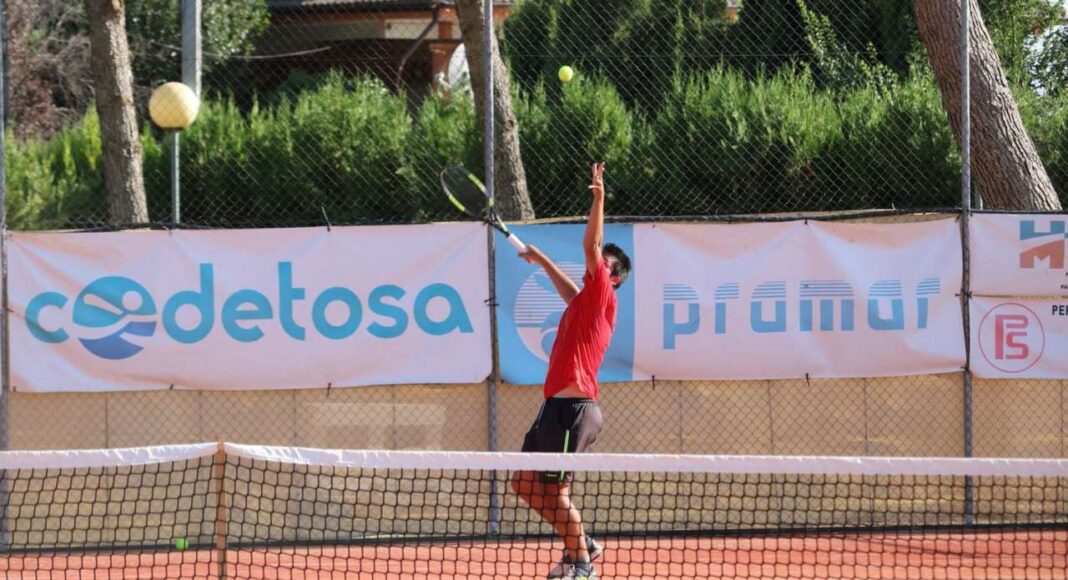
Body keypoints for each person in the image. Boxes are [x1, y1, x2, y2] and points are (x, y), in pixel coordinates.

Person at [510, 162, 632, 580]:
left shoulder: (603, 296)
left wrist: (599, 198)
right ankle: (581, 542)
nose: (597, 260)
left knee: (556, 491)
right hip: (553, 408)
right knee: (524, 483)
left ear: (613, 279)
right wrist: (541, 258)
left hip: (574, 409)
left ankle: (581, 564)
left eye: (605, 262)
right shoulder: (585, 302)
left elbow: (591, 243)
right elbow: (568, 290)